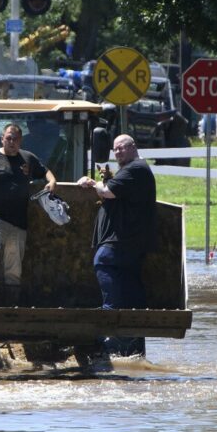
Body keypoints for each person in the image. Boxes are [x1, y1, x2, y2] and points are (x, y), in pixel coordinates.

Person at [77, 134, 156, 355]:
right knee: (129, 285)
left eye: (122, 148)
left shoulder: (136, 169)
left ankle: (110, 328)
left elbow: (107, 192)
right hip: (130, 241)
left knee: (104, 262)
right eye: (115, 149)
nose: (118, 152)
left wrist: (92, 183)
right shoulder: (133, 170)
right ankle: (131, 345)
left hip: (121, 241)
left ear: (134, 147)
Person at [0, 123, 57, 307]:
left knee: (14, 266)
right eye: (8, 137)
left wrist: (52, 181)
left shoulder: (27, 158)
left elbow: (45, 171)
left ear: (20, 140)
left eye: (15, 138)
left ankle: (10, 306)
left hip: (19, 222)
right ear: (2, 138)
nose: (12, 141)